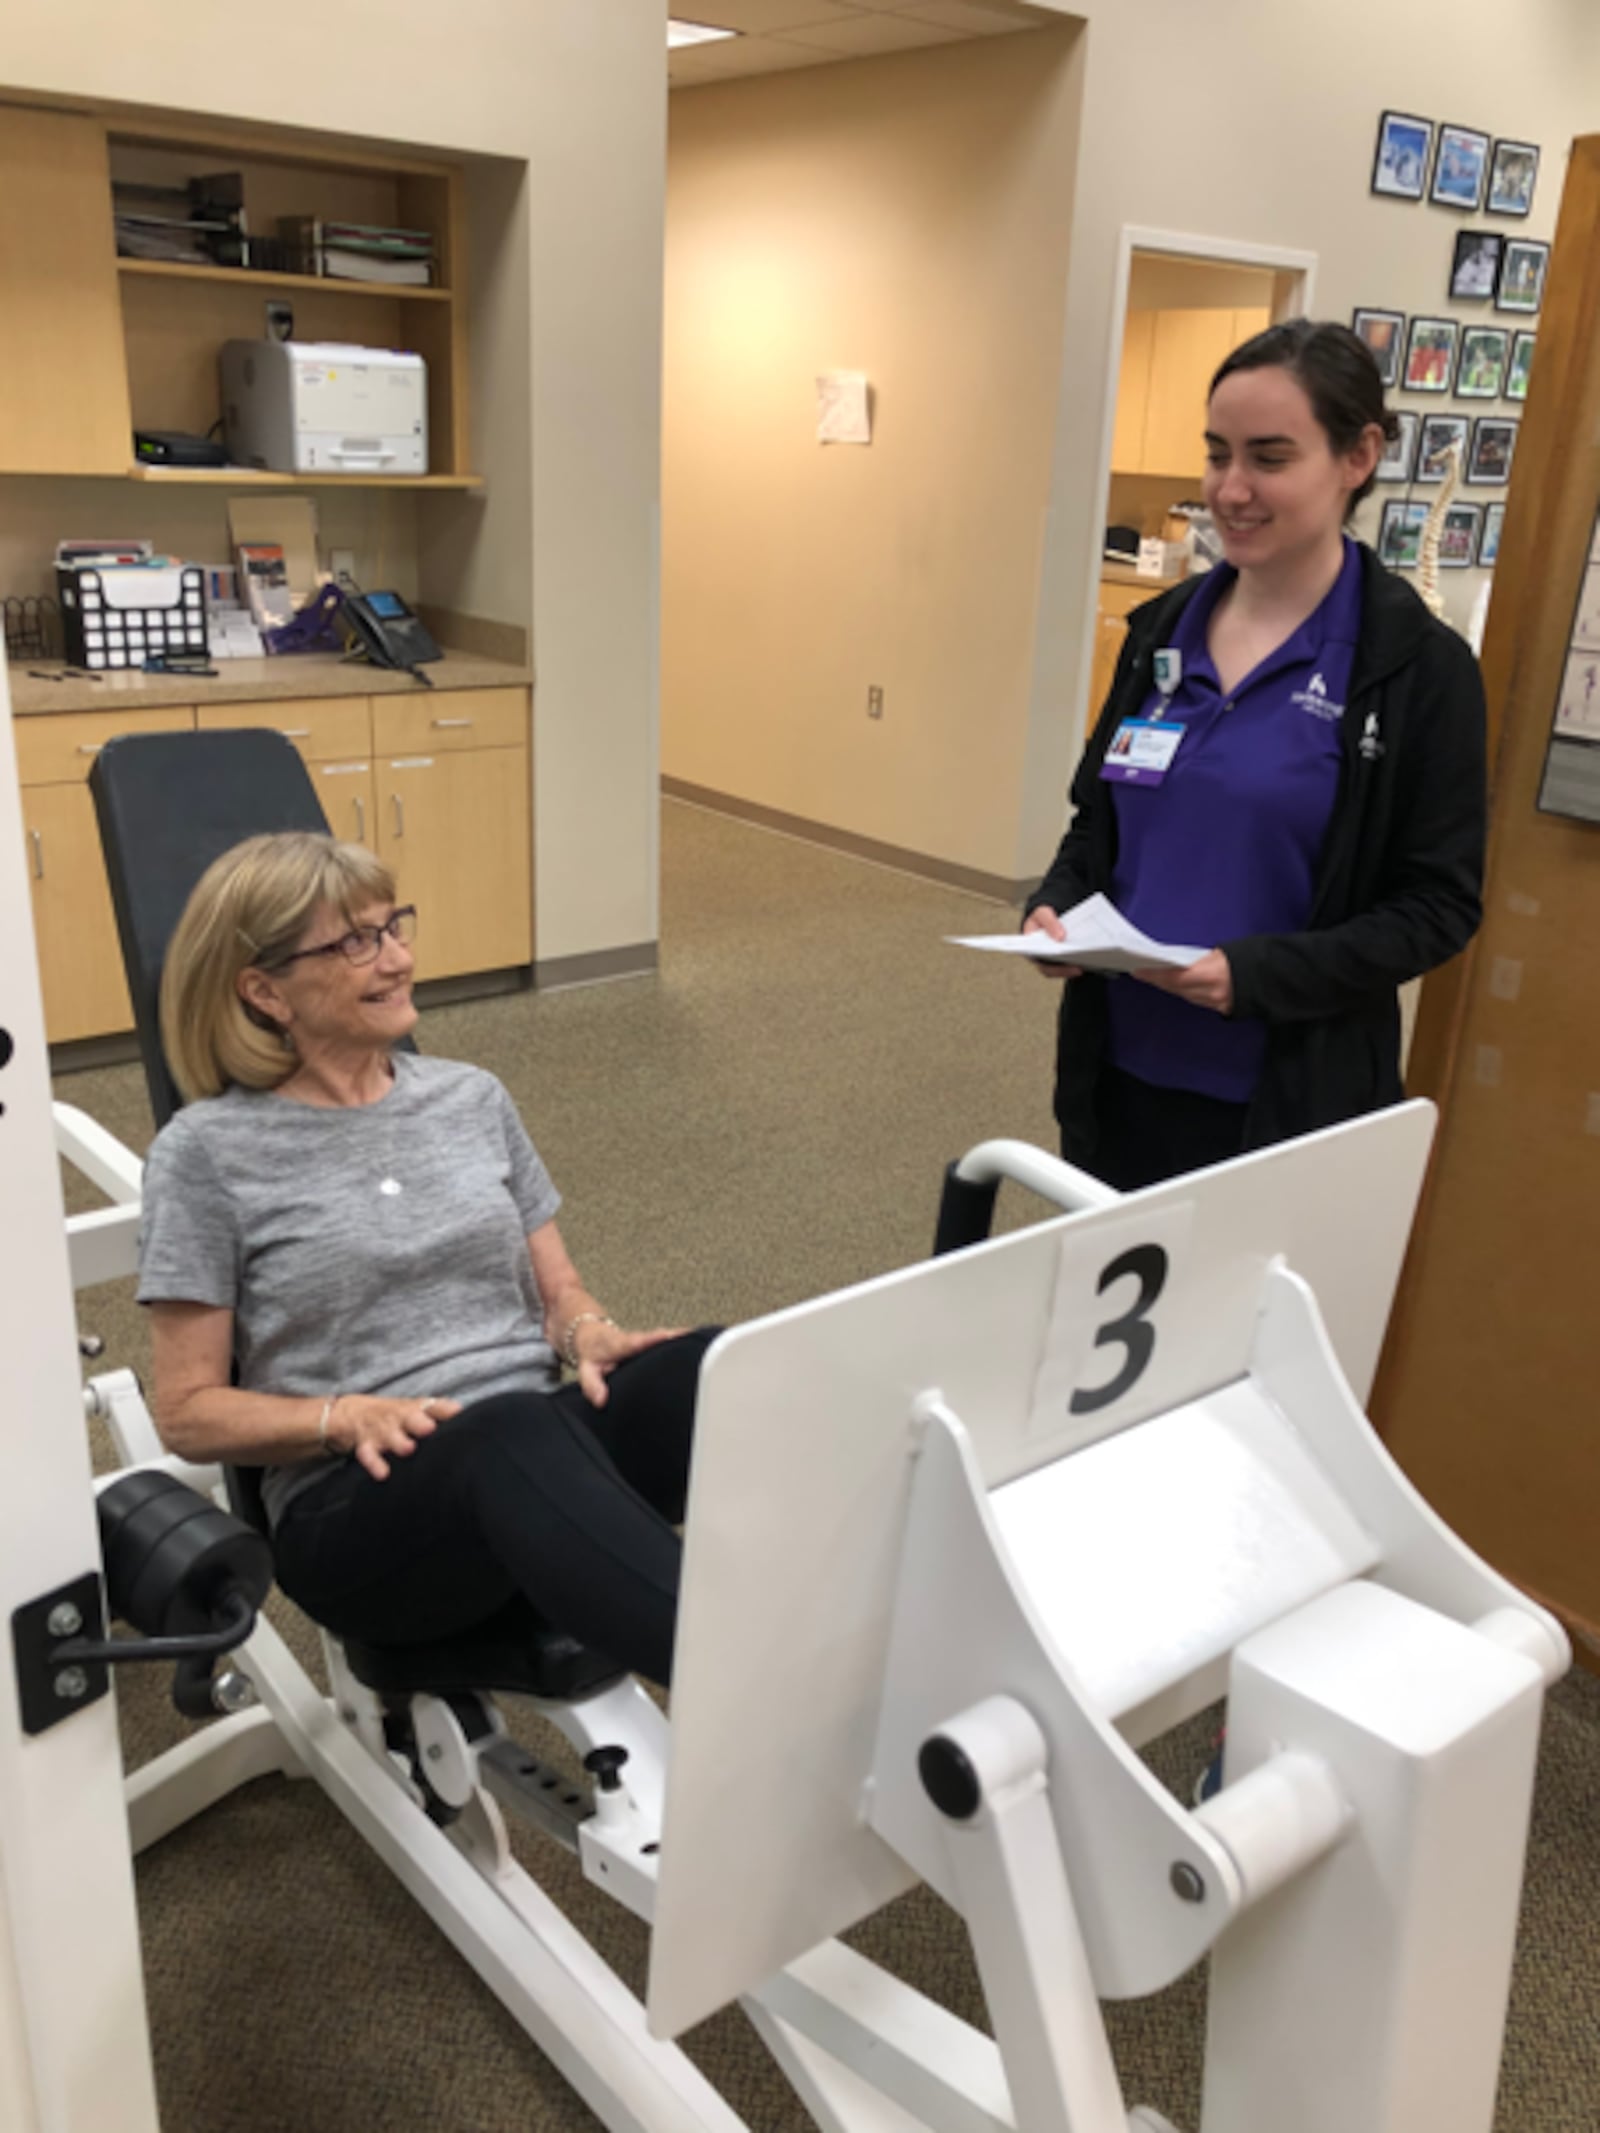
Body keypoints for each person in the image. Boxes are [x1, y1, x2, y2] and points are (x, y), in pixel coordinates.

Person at [137, 832, 714, 1686]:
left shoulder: (471, 1096)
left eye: (394, 926)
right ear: (264, 990)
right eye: (355, 942)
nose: (399, 958)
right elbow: (185, 1411)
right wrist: (340, 1416)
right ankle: (759, 1690)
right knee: (506, 1432)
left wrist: (588, 1330)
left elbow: (559, 1289)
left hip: (536, 1439)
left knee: (715, 1365)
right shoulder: (207, 1153)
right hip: (359, 1505)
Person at [1024, 318, 1486, 1191]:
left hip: (1283, 1095)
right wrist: (1057, 907)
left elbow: (1438, 905)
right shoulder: (1161, 631)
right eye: (1217, 454)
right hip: (1118, 1071)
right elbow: (1099, 824)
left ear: (1358, 455)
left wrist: (1257, 975)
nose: (1229, 490)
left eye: (1269, 458)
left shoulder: (1416, 669)